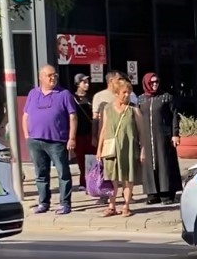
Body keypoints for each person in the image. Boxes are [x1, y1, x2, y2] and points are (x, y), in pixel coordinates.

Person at [22, 65, 79, 215]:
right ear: (41, 77)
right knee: (40, 174)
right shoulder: (33, 93)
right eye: (49, 75)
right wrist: (27, 135)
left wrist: (71, 138)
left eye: (54, 75)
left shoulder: (64, 94)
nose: (53, 78)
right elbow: (25, 116)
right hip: (35, 140)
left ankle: (65, 203)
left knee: (63, 173)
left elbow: (72, 117)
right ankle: (43, 203)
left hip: (57, 141)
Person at [98, 76, 142, 217]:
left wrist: (143, 150)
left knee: (127, 179)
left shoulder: (133, 109)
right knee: (112, 179)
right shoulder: (107, 108)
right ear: (116, 93)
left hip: (128, 148)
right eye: (124, 92)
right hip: (111, 149)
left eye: (128, 92)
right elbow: (104, 130)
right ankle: (112, 206)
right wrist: (99, 150)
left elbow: (142, 131)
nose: (127, 94)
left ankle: (126, 206)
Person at [137, 72, 183, 205]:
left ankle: (166, 193)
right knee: (149, 164)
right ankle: (152, 193)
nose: (155, 84)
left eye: (157, 81)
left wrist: (175, 134)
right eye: (151, 82)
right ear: (146, 83)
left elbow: (174, 115)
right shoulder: (141, 99)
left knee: (164, 163)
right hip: (146, 136)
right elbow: (137, 118)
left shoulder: (166, 97)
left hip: (163, 136)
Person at [71, 76, 95, 182]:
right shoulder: (72, 98)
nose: (87, 84)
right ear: (77, 83)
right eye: (84, 82)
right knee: (80, 159)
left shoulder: (91, 98)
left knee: (92, 158)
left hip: (90, 133)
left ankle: (92, 181)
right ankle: (83, 181)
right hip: (78, 134)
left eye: (88, 82)